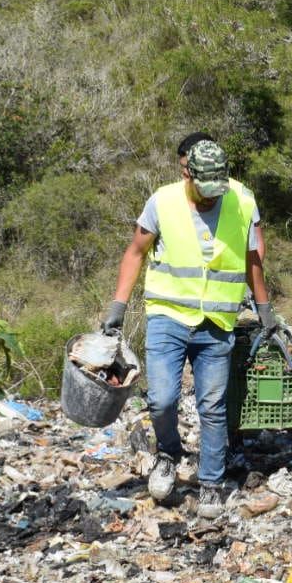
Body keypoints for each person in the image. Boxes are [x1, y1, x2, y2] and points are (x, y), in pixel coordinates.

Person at [101, 134, 277, 519]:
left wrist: (265, 310)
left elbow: (252, 261)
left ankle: (211, 482)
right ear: (188, 174)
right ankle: (168, 453)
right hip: (168, 316)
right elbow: (135, 252)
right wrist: (118, 305)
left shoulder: (242, 202)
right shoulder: (162, 201)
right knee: (161, 399)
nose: (211, 197)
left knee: (212, 406)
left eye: (218, 189)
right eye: (204, 189)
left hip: (216, 321)